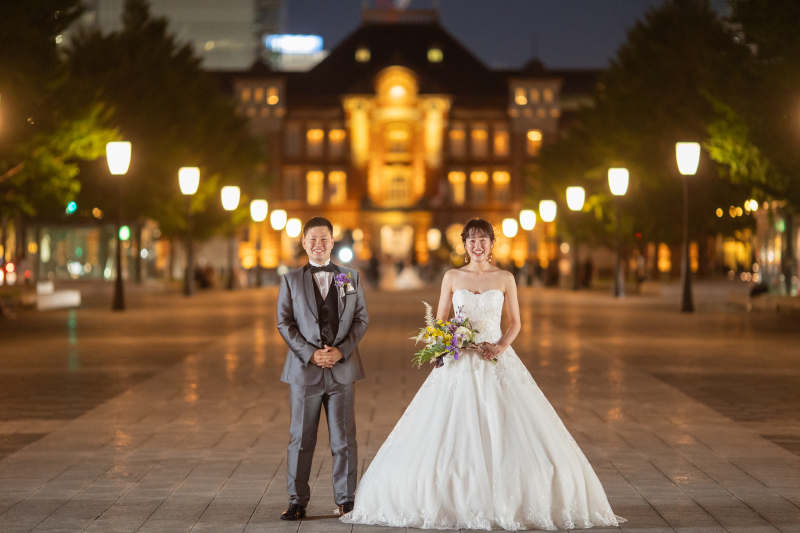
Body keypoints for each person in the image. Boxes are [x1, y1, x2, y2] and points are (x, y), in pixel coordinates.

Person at [341, 218, 623, 530]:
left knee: (506, 426)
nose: (478, 245)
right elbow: (441, 320)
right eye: (472, 240)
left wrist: (501, 346)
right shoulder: (452, 276)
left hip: (496, 359)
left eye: (483, 240)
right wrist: (450, 339)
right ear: (464, 245)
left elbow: (515, 321)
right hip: (460, 361)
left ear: (491, 244)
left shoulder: (505, 278)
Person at [276, 217, 369, 520]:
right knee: (301, 439)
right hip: (305, 371)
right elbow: (285, 323)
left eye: (324, 239)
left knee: (344, 439)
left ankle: (346, 499)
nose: (318, 245)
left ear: (332, 241)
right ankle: (296, 501)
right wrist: (310, 354)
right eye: (312, 239)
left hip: (342, 370)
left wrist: (341, 351)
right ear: (304, 242)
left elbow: (361, 319)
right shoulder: (291, 280)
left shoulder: (349, 277)